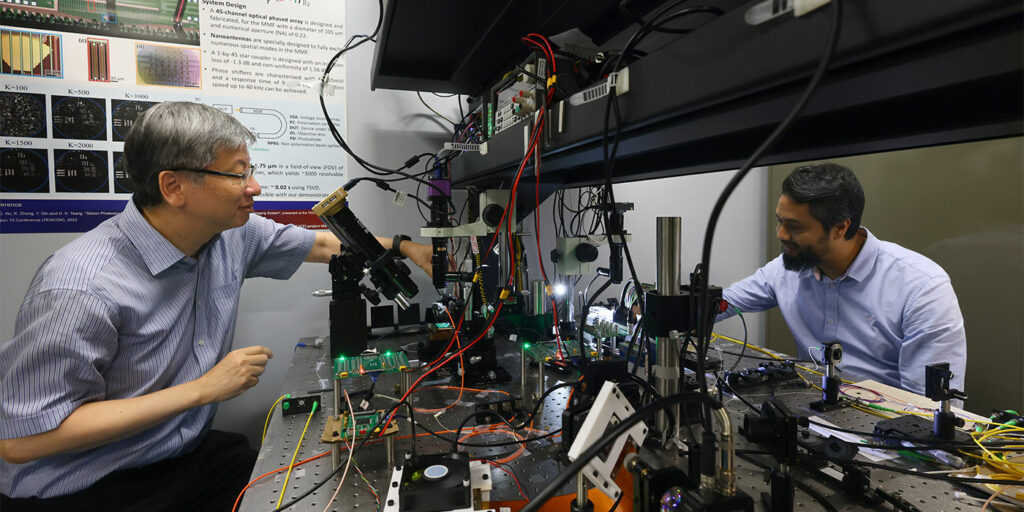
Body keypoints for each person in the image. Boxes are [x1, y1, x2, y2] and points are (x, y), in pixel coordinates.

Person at [0, 101, 432, 511]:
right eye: (237, 173)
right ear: (174, 187)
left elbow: (321, 244)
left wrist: (404, 247)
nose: (255, 187)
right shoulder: (80, 287)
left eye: (251, 170)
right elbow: (25, 440)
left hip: (180, 456)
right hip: (87, 488)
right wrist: (203, 389)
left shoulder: (229, 234)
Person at [718, 163, 967, 396]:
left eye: (794, 226)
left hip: (886, 429)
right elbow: (721, 304)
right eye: (779, 221)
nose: (781, 234)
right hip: (810, 412)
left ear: (840, 227)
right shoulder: (788, 268)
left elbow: (929, 408)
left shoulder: (921, 287)